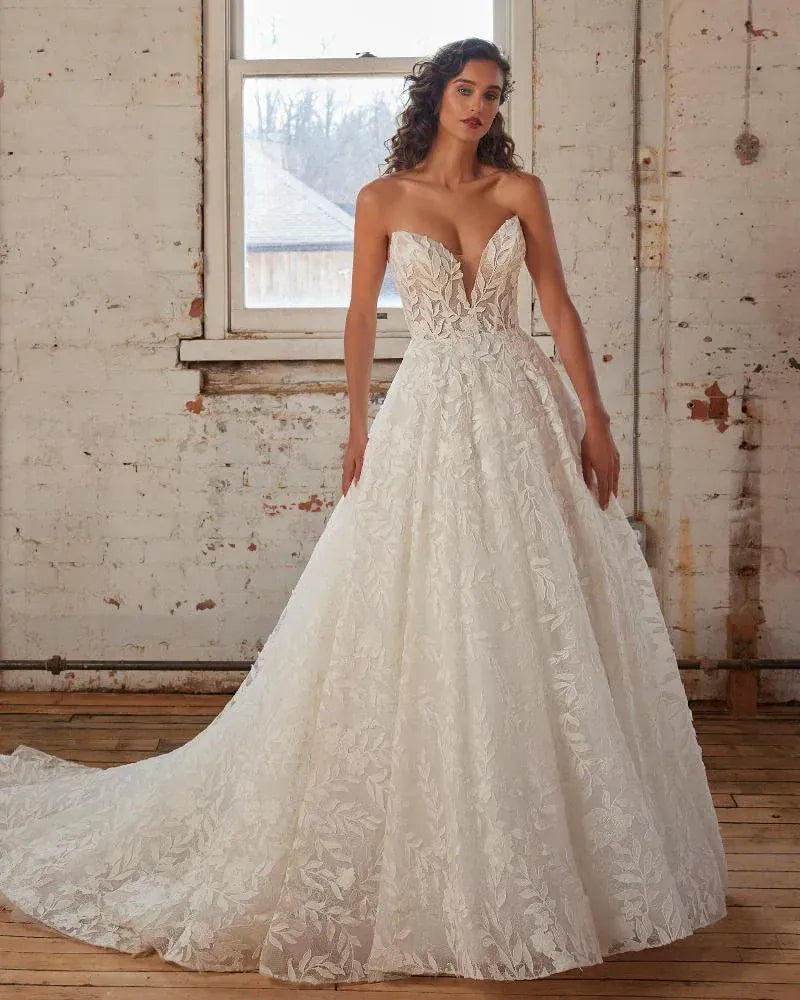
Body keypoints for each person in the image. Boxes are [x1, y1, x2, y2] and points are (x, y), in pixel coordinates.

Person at [0, 37, 726, 986]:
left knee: (538, 599)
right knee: (424, 595)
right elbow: (357, 317)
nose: (478, 106)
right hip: (426, 409)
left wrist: (595, 418)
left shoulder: (520, 193)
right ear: (436, 96)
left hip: (520, 406)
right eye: (465, 89)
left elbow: (559, 306)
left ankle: (556, 835)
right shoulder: (383, 199)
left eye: (492, 94)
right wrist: (355, 425)